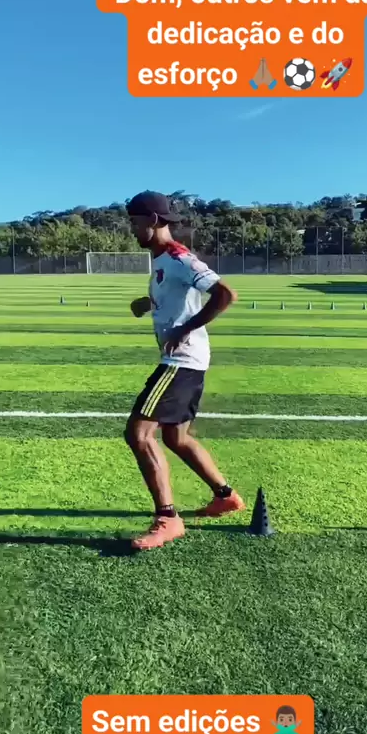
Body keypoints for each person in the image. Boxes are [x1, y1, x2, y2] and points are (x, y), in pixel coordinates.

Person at [124, 190, 246, 550]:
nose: (132, 229)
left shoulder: (179, 257)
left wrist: (184, 329)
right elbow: (177, 299)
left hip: (181, 361)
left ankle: (168, 519)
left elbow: (225, 294)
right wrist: (148, 303)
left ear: (153, 221)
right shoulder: (162, 260)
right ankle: (225, 496)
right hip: (190, 361)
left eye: (135, 222)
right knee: (176, 438)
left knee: (139, 434)